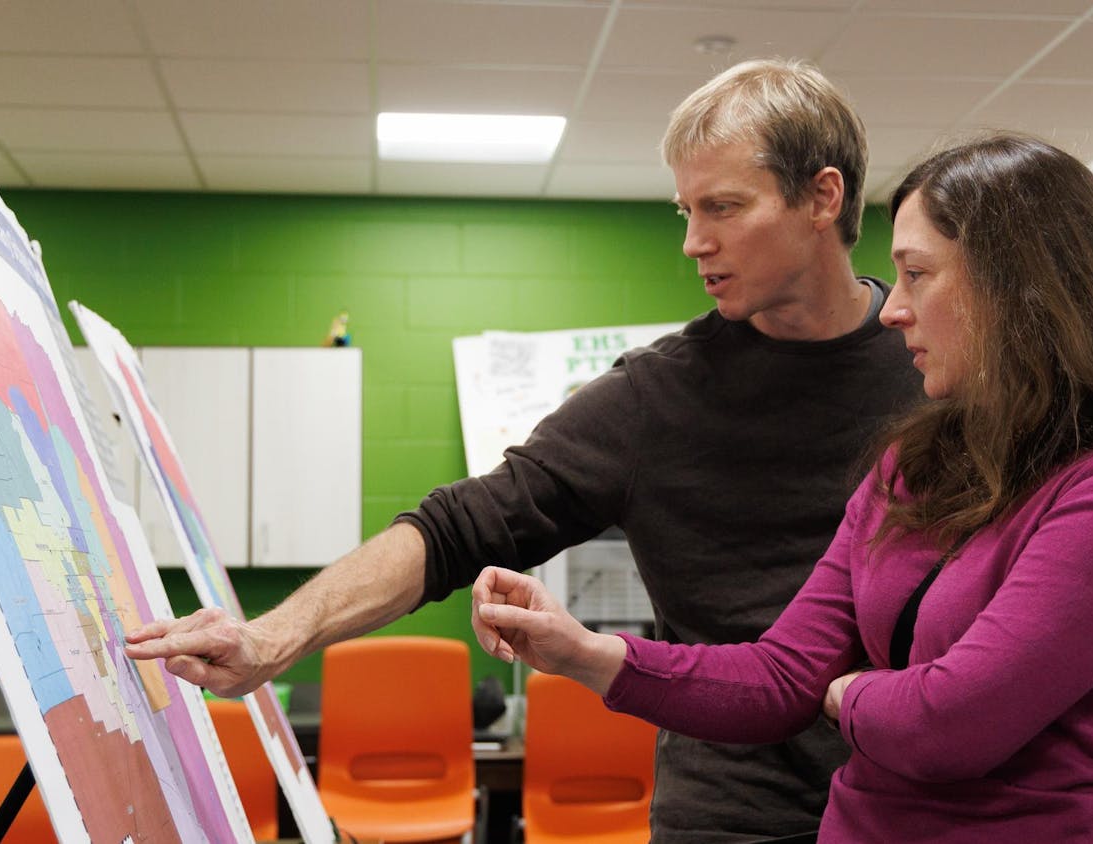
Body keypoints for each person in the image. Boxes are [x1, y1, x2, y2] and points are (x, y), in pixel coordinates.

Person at [125, 58, 923, 840]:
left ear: (823, 196)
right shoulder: (656, 398)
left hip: (922, 806)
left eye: (722, 207)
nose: (692, 243)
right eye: (684, 212)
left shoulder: (939, 379)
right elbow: (455, 527)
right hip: (731, 818)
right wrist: (271, 638)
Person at [469, 132, 1093, 842]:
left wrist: (846, 695)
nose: (894, 309)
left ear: (1020, 290)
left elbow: (950, 726)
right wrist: (583, 653)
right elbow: (780, 677)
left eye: (917, 274)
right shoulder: (914, 463)